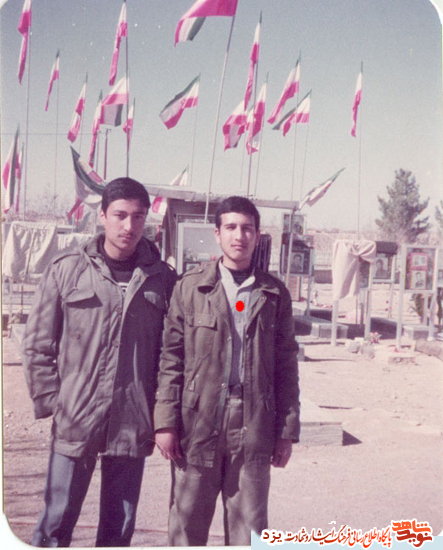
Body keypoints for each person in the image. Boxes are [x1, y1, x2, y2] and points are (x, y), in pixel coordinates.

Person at [22, 177, 176, 547]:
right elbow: (38, 343)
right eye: (120, 215)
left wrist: (161, 414)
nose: (129, 226)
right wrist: (54, 402)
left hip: (132, 419)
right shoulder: (67, 269)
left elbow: (171, 355)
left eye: (138, 217)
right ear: (102, 215)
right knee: (56, 521)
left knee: (118, 529)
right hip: (76, 416)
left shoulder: (163, 280)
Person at [154, 196, 300, 546]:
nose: (239, 236)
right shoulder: (190, 288)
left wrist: (286, 431)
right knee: (187, 525)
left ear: (257, 235)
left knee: (249, 529)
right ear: (217, 234)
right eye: (231, 227)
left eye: (247, 228)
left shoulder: (273, 293)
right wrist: (165, 422)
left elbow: (286, 365)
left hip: (253, 423)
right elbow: (171, 358)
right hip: (198, 421)